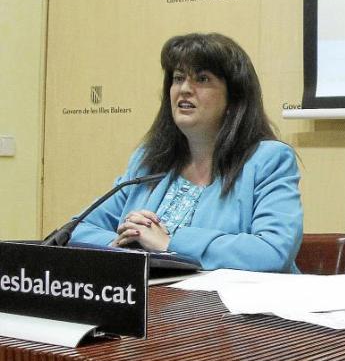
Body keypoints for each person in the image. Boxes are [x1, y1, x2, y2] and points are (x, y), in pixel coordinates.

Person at [70, 33, 303, 272]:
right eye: (178, 78)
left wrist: (170, 243)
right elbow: (76, 230)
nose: (184, 89)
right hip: (154, 294)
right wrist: (123, 245)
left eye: (202, 79)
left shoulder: (268, 160)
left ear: (234, 98)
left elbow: (273, 251)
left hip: (237, 296)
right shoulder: (149, 162)